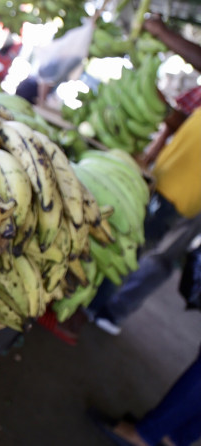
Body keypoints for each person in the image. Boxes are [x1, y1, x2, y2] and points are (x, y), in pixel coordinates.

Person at [88, 13, 201, 336]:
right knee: (125, 237)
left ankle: (92, 310)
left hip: (180, 194)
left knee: (128, 246)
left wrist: (161, 31)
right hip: (163, 180)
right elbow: (180, 124)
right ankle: (94, 306)